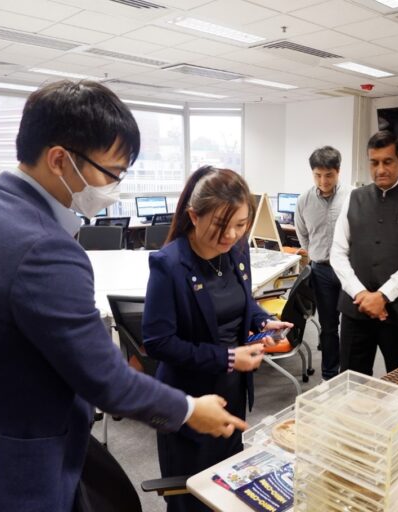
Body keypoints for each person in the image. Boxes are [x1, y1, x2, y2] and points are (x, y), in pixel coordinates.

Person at [0, 80, 246, 512]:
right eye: (111, 173)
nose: (114, 188)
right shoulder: (43, 247)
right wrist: (188, 410)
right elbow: (105, 378)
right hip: (12, 465)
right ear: (59, 159)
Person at [142, 166, 292, 512]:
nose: (231, 235)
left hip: (231, 392)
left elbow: (243, 302)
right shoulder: (169, 264)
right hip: (189, 400)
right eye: (222, 225)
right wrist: (228, 357)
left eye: (241, 225)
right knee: (190, 496)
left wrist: (263, 321)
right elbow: (158, 342)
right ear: (194, 216)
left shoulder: (237, 251)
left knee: (226, 488)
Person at [330, 130, 398, 375]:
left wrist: (383, 296)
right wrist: (360, 293)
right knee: (351, 381)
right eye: (374, 162)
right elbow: (338, 252)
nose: (380, 169)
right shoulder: (354, 198)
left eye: (387, 162)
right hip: (356, 308)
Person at [294, 146, 350, 381]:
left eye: (329, 175)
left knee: (351, 327)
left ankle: (349, 373)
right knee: (328, 327)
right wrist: (316, 252)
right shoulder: (304, 201)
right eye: (317, 175)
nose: (323, 181)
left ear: (338, 172)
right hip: (321, 271)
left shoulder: (352, 197)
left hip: (349, 271)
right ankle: (329, 375)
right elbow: (303, 234)